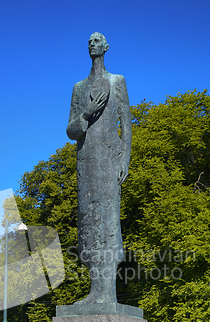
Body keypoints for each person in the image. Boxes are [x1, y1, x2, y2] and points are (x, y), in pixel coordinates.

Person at [67, 32, 132, 304]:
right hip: (86, 162)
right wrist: (86, 113)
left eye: (97, 41)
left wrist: (124, 159)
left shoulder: (117, 81)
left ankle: (107, 294)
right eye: (89, 41)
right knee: (89, 222)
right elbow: (71, 130)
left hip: (108, 159)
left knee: (107, 221)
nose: (92, 43)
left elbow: (126, 124)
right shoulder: (79, 88)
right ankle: (95, 292)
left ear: (106, 47)